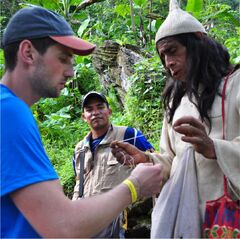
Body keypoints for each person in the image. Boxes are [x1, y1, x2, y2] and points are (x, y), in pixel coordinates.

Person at [0, 6, 163, 238]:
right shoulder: (10, 113)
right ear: (28, 53)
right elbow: (62, 225)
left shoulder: (9, 110)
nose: (71, 72)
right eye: (63, 58)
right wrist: (134, 186)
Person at [111, 0, 240, 233]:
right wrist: (146, 160)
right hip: (188, 218)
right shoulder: (176, 102)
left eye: (172, 51)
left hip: (231, 218)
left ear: (198, 42)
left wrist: (215, 149)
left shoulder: (235, 85)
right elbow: (172, 160)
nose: (169, 63)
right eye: (163, 57)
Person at [72, 91, 155, 237]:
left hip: (114, 220)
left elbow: (154, 163)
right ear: (83, 117)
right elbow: (78, 183)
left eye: (100, 107)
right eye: (89, 110)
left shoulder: (128, 135)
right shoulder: (79, 149)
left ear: (109, 111)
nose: (95, 113)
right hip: (82, 221)